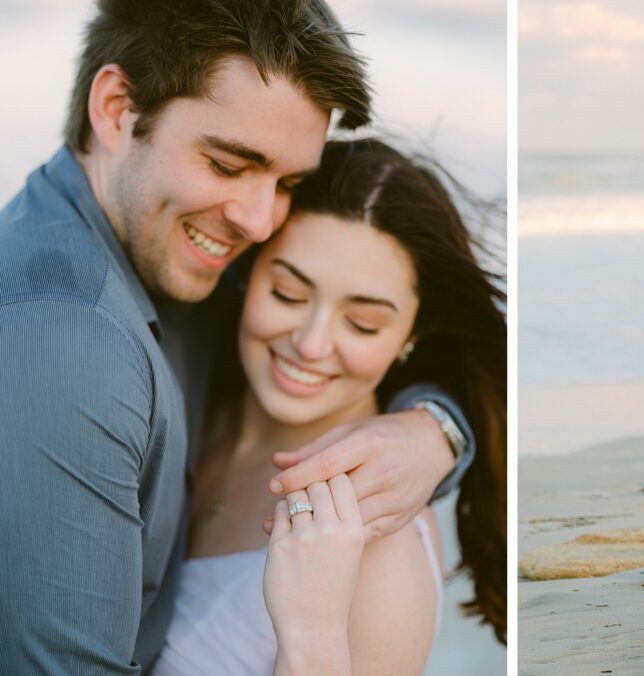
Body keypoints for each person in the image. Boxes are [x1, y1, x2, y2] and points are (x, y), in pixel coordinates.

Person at [0, 2, 478, 671]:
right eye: (227, 164)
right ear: (114, 107)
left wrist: (439, 431)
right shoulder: (73, 334)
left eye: (287, 183)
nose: (257, 222)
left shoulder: (177, 259)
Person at [152, 139, 507, 673]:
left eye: (362, 324)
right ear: (248, 272)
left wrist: (310, 632)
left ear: (411, 334)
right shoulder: (188, 404)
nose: (312, 344)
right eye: (288, 294)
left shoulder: (382, 546)